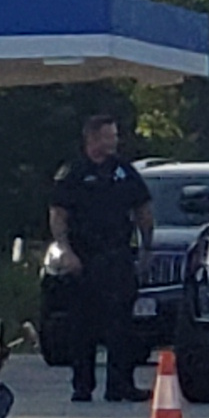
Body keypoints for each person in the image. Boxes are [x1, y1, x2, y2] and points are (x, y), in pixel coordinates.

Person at [49, 115, 155, 403]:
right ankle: (82, 386)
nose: (113, 142)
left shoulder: (124, 171)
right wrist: (66, 251)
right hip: (84, 260)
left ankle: (120, 385)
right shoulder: (73, 172)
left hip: (117, 257)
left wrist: (146, 249)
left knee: (122, 326)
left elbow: (143, 210)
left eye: (114, 136)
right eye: (108, 136)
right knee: (82, 326)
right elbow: (59, 216)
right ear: (92, 139)